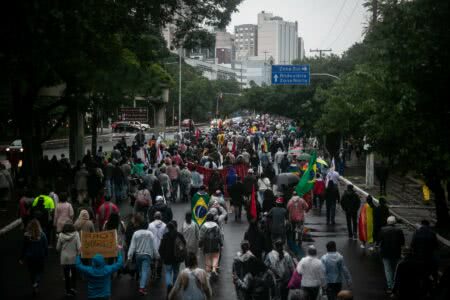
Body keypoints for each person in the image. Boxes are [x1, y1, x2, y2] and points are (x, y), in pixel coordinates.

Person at [127, 217, 159, 295]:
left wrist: (129, 257)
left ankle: (142, 283)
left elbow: (132, 246)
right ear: (147, 226)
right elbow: (154, 246)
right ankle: (142, 288)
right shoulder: (150, 234)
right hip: (147, 255)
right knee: (145, 271)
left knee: (141, 270)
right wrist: (157, 255)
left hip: (138, 255)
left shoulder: (136, 233)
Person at [19, 219, 48, 296]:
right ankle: (37, 283)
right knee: (39, 271)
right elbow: (45, 246)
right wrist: (46, 255)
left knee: (32, 272)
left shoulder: (26, 235)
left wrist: (21, 258)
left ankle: (34, 284)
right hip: (40, 256)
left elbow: (24, 248)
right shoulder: (42, 235)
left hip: (30, 257)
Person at [159, 220, 187, 295]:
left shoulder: (165, 236)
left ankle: (169, 285)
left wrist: (162, 256)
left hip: (167, 258)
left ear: (168, 228)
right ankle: (174, 287)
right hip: (177, 258)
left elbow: (161, 248)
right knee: (176, 272)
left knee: (168, 272)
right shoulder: (179, 235)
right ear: (176, 227)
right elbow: (184, 244)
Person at [378, 216, 405, 293]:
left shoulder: (382, 229)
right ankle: (395, 285)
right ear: (395, 222)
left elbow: (379, 240)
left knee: (388, 270)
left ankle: (390, 286)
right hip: (396, 252)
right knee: (395, 269)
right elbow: (402, 242)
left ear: (387, 222)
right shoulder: (399, 230)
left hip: (385, 252)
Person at [56, 221, 81, 296]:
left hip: (64, 258)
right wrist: (78, 254)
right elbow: (79, 247)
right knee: (74, 274)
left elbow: (57, 248)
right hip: (73, 257)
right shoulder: (76, 235)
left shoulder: (60, 235)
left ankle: (68, 291)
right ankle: (73, 288)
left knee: (66, 276)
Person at [199, 213, 223, 279]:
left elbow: (201, 237)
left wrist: (200, 245)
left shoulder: (204, 226)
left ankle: (208, 273)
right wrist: (221, 244)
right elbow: (220, 236)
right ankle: (214, 270)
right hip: (215, 245)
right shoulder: (216, 226)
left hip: (207, 245)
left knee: (208, 258)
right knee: (215, 257)